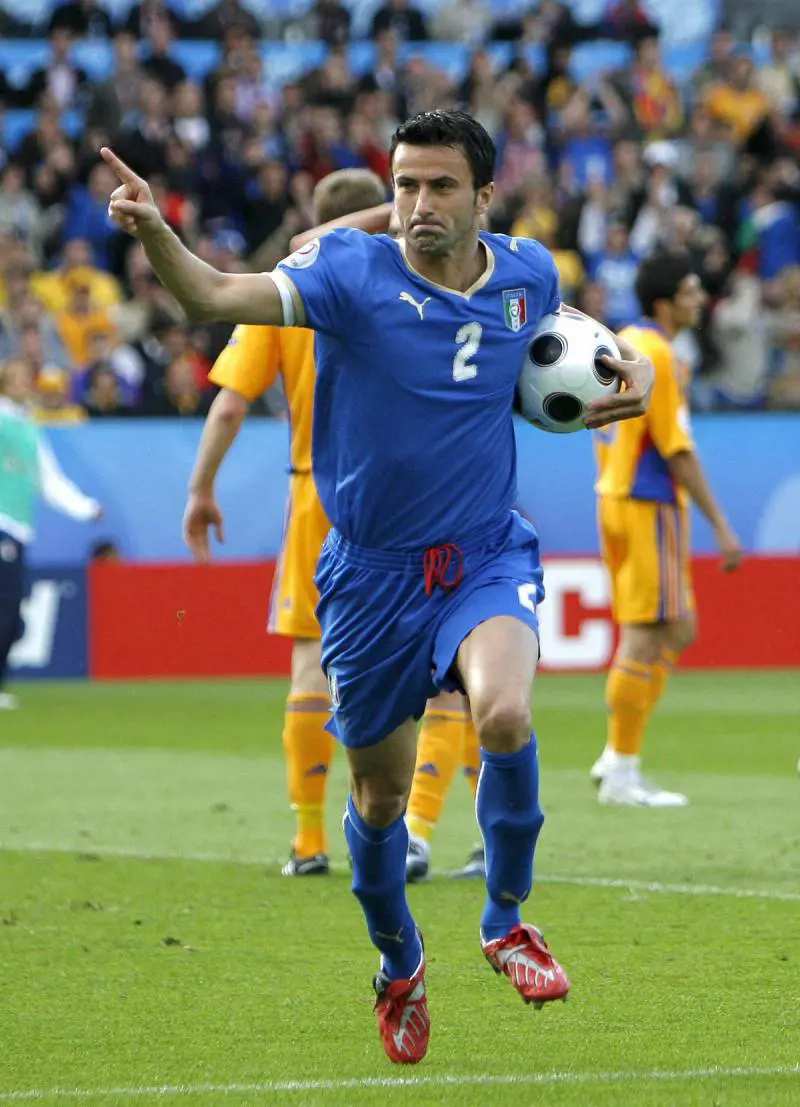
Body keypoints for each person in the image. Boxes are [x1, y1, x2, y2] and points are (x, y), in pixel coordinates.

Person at [102, 109, 654, 1065]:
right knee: (380, 797)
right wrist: (156, 229)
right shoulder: (347, 275)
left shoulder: (528, 274)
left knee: (504, 714)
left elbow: (575, 350)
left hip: (484, 551)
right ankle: (400, 960)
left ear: (485, 196)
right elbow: (208, 295)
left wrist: (631, 367)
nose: (417, 202)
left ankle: (505, 921)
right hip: (368, 579)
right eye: (404, 184)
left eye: (440, 185)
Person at [590, 254, 742, 807]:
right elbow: (676, 449)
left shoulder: (625, 340)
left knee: (679, 629)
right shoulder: (657, 354)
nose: (699, 299)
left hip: (617, 495)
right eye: (691, 290)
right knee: (647, 633)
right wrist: (722, 526)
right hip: (648, 500)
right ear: (664, 302)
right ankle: (622, 769)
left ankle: (615, 756)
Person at [0, 359, 101, 710]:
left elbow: (49, 479)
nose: (22, 383)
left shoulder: (28, 427)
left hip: (18, 527)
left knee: (10, 610)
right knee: (6, 607)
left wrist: (85, 508)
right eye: (15, 377)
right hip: (2, 525)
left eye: (24, 377)